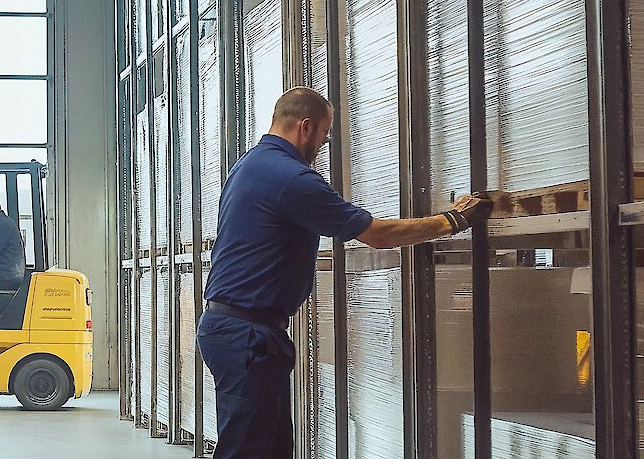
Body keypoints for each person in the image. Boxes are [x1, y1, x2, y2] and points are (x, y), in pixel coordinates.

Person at [201, 87, 489, 458]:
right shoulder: (292, 178)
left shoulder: (249, 165)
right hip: (248, 337)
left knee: (269, 449)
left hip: (241, 332)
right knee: (247, 451)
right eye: (324, 134)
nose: (323, 143)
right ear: (305, 127)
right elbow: (378, 235)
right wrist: (452, 220)